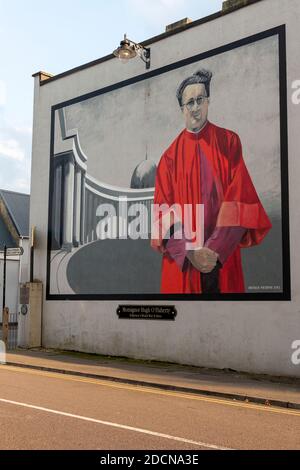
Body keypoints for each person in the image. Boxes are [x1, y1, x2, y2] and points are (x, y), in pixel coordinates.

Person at [151, 69, 272, 294]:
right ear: (181, 109)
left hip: (222, 258)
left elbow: (240, 198)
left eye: (200, 100)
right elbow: (162, 213)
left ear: (208, 102)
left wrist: (215, 249)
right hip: (185, 265)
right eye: (189, 102)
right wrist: (190, 252)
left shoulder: (229, 142)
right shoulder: (169, 158)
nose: (195, 108)